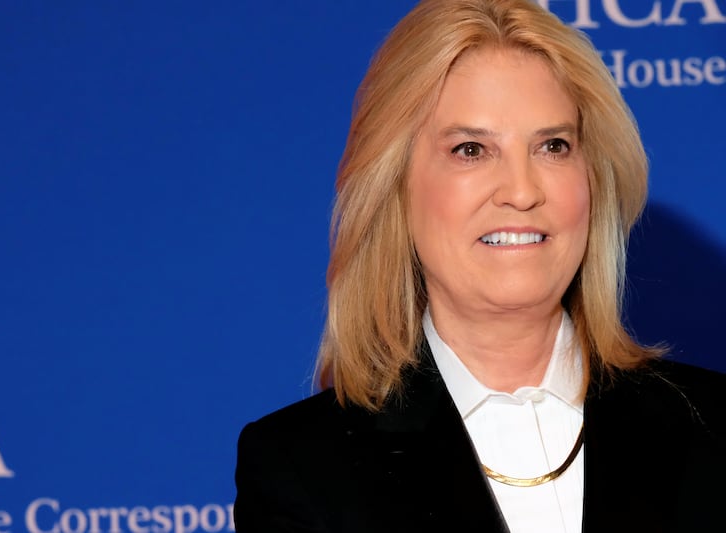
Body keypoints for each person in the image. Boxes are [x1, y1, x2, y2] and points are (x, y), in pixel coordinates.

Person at [233, 0, 726, 531]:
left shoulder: (715, 429)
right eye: (470, 149)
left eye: (553, 146)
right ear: (394, 186)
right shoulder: (301, 470)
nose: (522, 191)